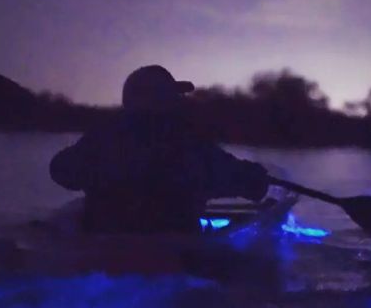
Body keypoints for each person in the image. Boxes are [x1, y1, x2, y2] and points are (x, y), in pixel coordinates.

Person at [49, 65, 270, 233]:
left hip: (103, 242)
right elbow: (238, 178)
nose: (180, 100)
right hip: (173, 245)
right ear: (162, 99)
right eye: (173, 95)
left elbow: (61, 170)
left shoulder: (102, 135)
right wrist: (258, 178)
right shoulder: (185, 139)